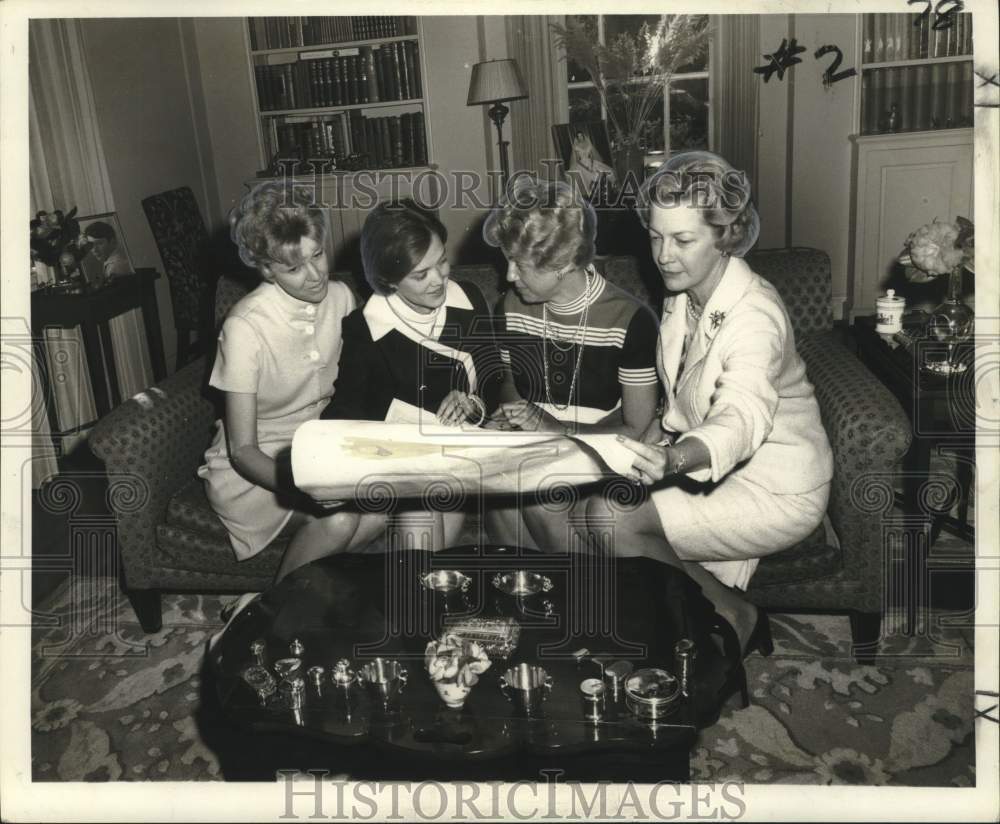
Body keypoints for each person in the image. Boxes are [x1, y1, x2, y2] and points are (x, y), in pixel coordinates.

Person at [589, 151, 834, 659]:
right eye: (656, 236)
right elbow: (680, 392)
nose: (663, 255)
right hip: (709, 466)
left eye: (682, 240)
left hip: (776, 488)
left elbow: (740, 415)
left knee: (611, 517)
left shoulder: (755, 316)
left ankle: (731, 614)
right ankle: (663, 622)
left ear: (724, 236)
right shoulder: (685, 291)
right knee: (573, 502)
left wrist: (673, 460)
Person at [482, 177, 660, 551]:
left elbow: (636, 426)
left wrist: (556, 428)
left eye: (520, 265)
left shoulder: (629, 320)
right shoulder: (510, 307)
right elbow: (510, 384)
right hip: (534, 449)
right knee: (499, 490)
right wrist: (509, 414)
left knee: (542, 496)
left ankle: (588, 601)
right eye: (507, 261)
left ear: (562, 264)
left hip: (598, 453)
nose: (509, 276)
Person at [320, 200, 502, 556]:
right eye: (420, 275)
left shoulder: (470, 299)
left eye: (442, 262)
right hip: (399, 461)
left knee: (434, 500)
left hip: (462, 454)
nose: (439, 280)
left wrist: (474, 403)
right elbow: (347, 408)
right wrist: (325, 465)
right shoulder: (365, 327)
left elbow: (495, 378)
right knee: (425, 506)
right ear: (388, 280)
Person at [197, 180, 357, 586]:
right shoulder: (245, 326)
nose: (315, 275)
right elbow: (243, 451)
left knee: (374, 513)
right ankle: (271, 615)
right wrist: (305, 491)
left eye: (317, 254)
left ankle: (311, 601)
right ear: (266, 269)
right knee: (339, 520)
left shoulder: (342, 297)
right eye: (293, 268)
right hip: (258, 469)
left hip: (320, 449)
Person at [566, 129, 617, 198]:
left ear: (583, 136)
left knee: (603, 171)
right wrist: (585, 167)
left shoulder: (588, 144)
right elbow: (578, 160)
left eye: (581, 136)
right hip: (581, 164)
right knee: (588, 175)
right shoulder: (576, 147)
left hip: (590, 161)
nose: (580, 137)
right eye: (578, 136)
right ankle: (591, 193)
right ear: (577, 138)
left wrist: (592, 164)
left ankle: (605, 189)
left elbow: (592, 156)